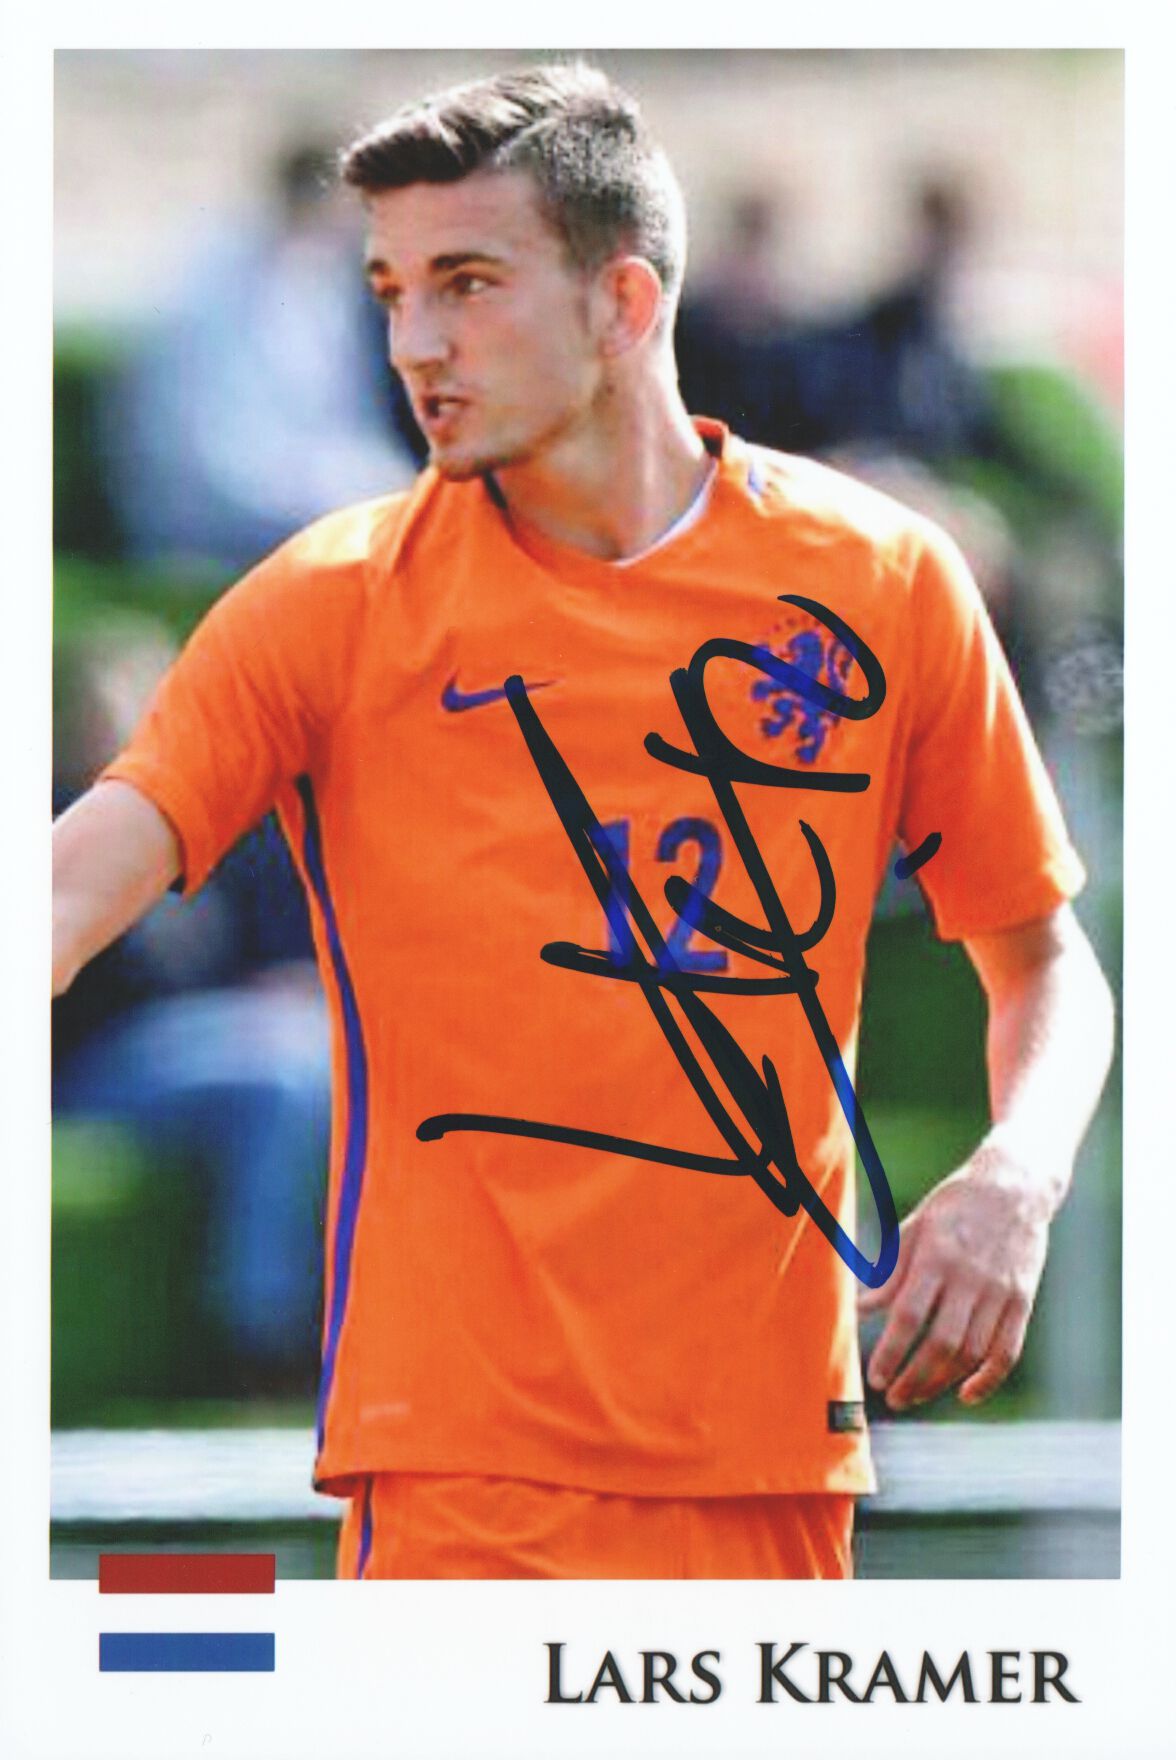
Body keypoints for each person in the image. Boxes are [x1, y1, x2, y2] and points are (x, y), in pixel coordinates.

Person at [52, 62, 1114, 1581]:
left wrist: (1019, 1176)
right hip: (461, 1482)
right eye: (391, 293)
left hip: (776, 1473)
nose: (414, 345)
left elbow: (1046, 963)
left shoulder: (884, 581)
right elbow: (71, 887)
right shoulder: (327, 603)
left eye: (467, 286)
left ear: (623, 303)